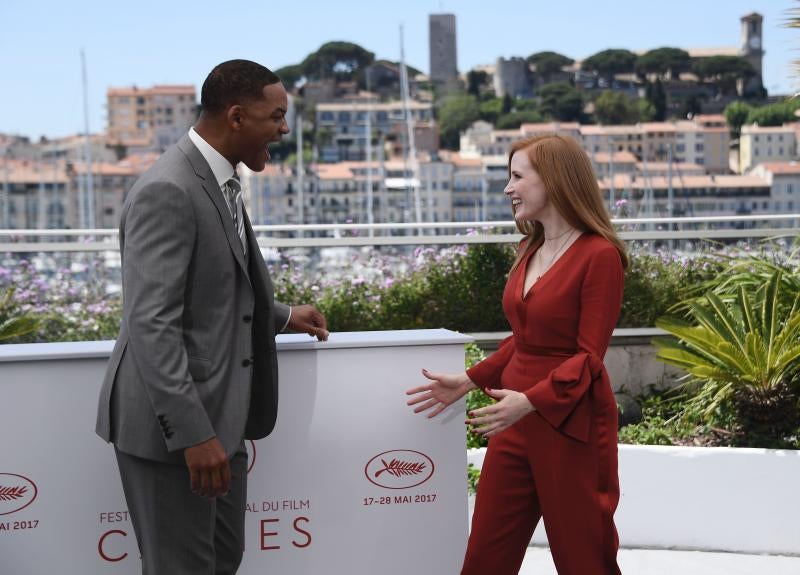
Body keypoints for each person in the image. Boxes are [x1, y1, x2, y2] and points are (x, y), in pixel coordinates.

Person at [95, 59, 329, 575]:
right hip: (176, 436)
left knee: (222, 560)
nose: (285, 129)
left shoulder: (218, 180)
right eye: (277, 117)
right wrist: (193, 436)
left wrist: (283, 315)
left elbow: (214, 289)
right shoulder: (169, 190)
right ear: (238, 117)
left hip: (221, 423)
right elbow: (151, 323)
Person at [407, 134, 627, 574]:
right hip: (513, 417)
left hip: (570, 425)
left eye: (517, 177)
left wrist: (530, 402)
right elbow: (525, 339)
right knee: (486, 557)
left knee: (584, 560)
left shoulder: (599, 255)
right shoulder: (531, 248)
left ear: (554, 180)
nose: (508, 188)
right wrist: (471, 379)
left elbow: (589, 357)